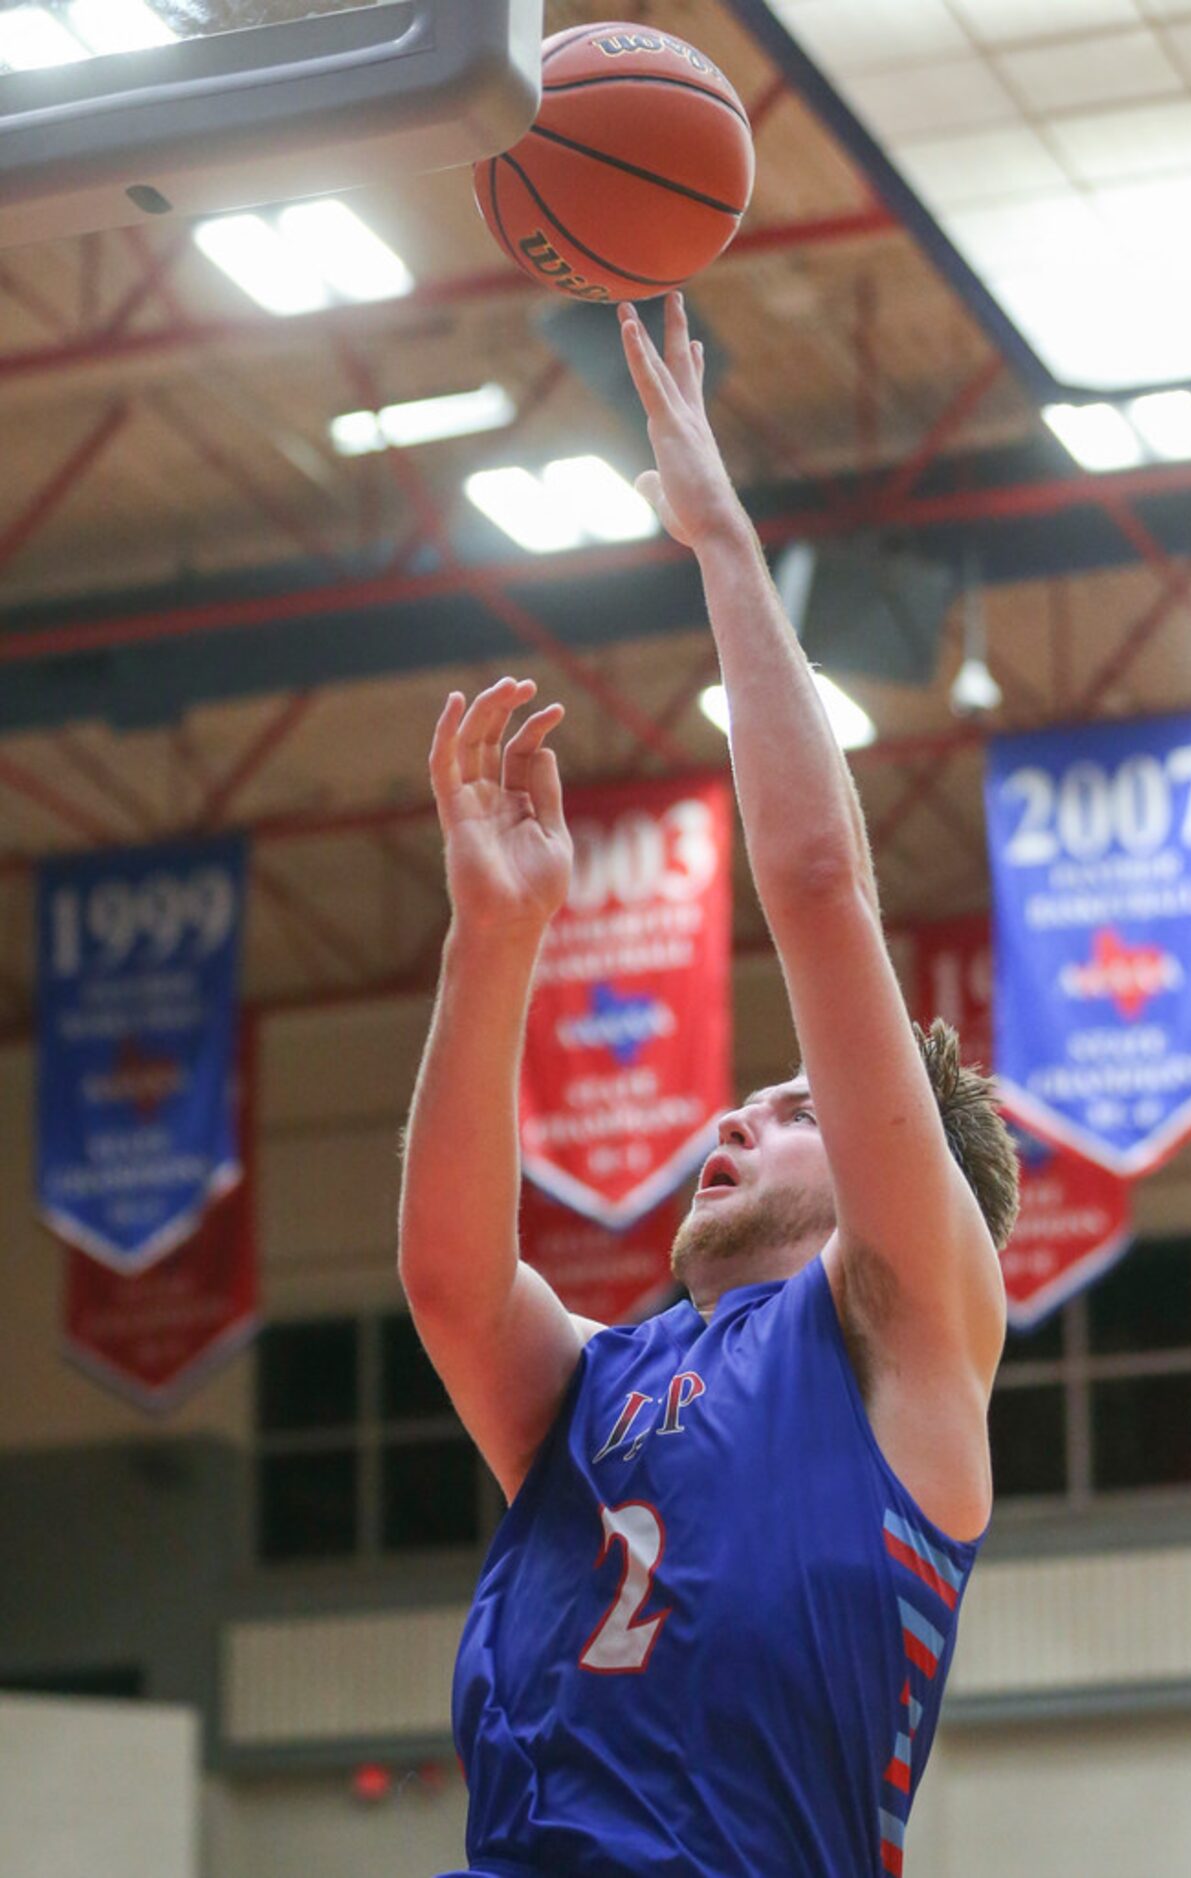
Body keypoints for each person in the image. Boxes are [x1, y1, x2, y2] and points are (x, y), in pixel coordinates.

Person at [399, 293, 1020, 1878]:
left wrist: (723, 538)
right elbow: (454, 1279)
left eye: (798, 1103)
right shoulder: (599, 1385)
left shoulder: (905, 1330)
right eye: (753, 1093)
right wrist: (495, 935)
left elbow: (817, 884)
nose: (736, 1114)